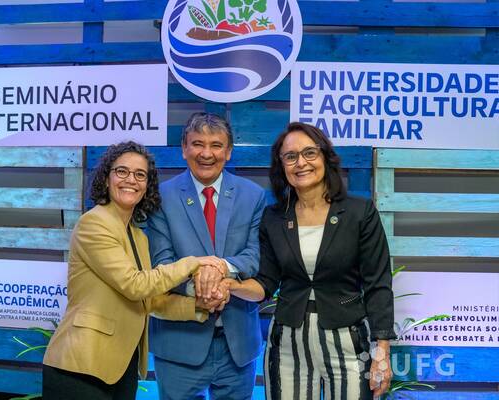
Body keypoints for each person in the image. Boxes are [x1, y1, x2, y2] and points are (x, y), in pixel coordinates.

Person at [225, 122, 396, 400]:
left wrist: (382, 352)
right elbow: (265, 283)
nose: (301, 163)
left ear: (325, 157)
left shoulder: (359, 212)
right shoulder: (273, 218)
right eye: (290, 156)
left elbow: (378, 284)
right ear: (281, 166)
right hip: (287, 347)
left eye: (309, 153)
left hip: (348, 343)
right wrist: (230, 286)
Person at [42, 141, 223, 400]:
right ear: (106, 178)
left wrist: (200, 305)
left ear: (147, 185)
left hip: (120, 366)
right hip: (81, 366)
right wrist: (193, 263)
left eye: (140, 175)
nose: (131, 180)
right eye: (122, 171)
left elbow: (150, 300)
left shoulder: (138, 236)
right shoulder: (94, 223)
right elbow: (135, 285)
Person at [146, 112, 267, 400]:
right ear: (184, 148)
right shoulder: (160, 197)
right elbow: (162, 263)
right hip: (178, 345)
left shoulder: (253, 195)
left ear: (229, 151)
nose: (206, 153)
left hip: (237, 345)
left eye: (216, 145)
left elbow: (254, 255)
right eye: (198, 144)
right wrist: (201, 290)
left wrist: (221, 269)